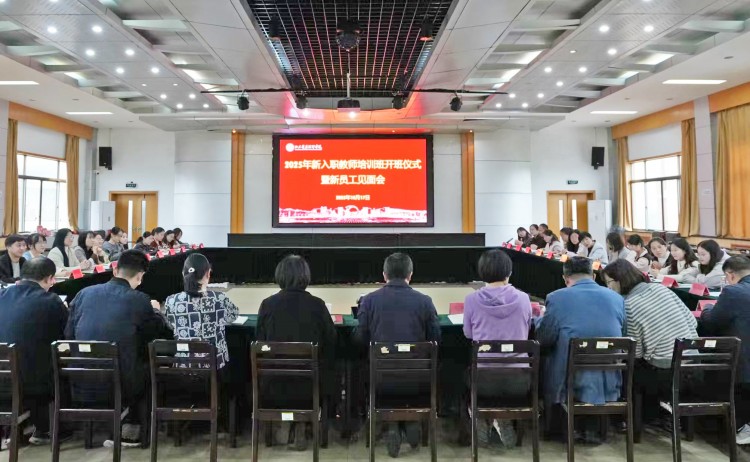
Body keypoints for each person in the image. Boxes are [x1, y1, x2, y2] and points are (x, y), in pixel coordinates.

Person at [66, 250, 173, 448]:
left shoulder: (83, 294)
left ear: (115, 270)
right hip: (121, 383)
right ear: (140, 276)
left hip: (80, 379)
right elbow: (156, 335)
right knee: (148, 369)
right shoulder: (139, 300)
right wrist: (156, 311)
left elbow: (69, 335)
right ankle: (132, 428)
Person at [357, 253, 440, 457]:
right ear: (410, 275)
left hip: (381, 380)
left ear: (384, 275)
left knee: (360, 370)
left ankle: (393, 423)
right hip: (418, 381)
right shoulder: (425, 301)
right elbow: (436, 338)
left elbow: (359, 339)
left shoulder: (369, 301)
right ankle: (407, 421)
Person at [536, 257, 625, 443]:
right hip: (608, 377)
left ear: (565, 278)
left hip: (570, 378)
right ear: (593, 276)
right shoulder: (617, 298)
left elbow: (544, 338)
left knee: (547, 355)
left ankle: (556, 427)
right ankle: (594, 428)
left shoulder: (556, 297)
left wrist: (538, 321)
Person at [256, 255, 337, 451]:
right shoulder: (318, 305)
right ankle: (305, 423)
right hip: (310, 386)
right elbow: (332, 341)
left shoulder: (267, 305)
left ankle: (291, 425)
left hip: (273, 384)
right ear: (305, 277)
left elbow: (259, 342)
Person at [602, 260, 698, 425]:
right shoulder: (661, 288)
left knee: (627, 369)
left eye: (608, 282)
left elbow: (636, 352)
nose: (608, 287)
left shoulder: (629, 305)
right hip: (694, 364)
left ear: (619, 281)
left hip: (666, 373)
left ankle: (635, 419)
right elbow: (693, 322)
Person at [461, 249, 532, 448]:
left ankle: (480, 415)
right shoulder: (524, 298)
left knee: (460, 377)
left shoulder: (471, 300)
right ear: (509, 272)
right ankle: (500, 418)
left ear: (481, 272)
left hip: (484, 380)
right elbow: (526, 331)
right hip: (520, 380)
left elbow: (468, 334)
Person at [0, 258, 69, 445]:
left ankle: (21, 429)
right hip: (31, 382)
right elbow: (67, 334)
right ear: (49, 279)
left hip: (3, 376)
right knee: (56, 366)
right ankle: (47, 428)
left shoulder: (2, 295)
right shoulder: (51, 301)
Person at [700, 256, 750, 444]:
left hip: (742, 361)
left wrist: (706, 310)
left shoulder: (733, 292)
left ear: (730, 275)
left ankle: (739, 426)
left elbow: (712, 322)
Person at [165, 253, 238, 369]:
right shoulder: (219, 298)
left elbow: (170, 324)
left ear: (183, 273)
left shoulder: (171, 301)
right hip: (215, 363)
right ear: (208, 274)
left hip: (184, 365)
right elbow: (233, 315)